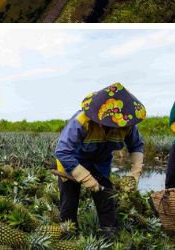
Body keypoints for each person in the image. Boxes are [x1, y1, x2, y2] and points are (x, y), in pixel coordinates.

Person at [54, 83, 145, 241]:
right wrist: (86, 178)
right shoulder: (82, 120)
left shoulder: (127, 123)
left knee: (106, 201)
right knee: (69, 204)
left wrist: (135, 172)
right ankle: (69, 237)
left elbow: (136, 145)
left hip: (100, 164)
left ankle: (110, 236)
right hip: (71, 162)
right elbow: (62, 151)